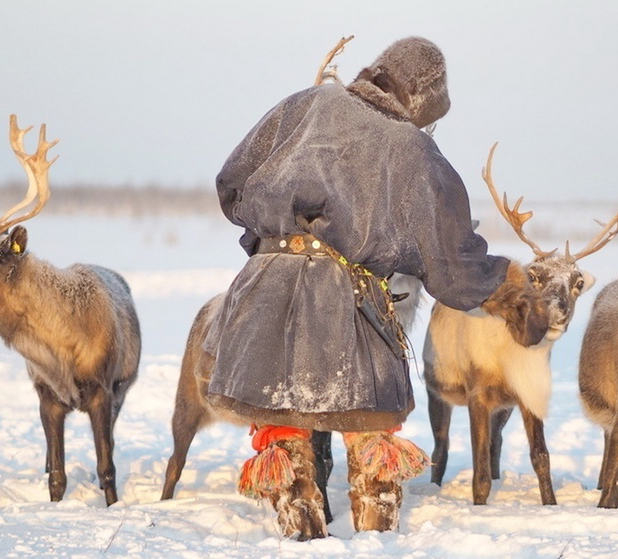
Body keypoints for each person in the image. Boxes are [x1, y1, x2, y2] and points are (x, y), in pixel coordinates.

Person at [202, 36, 548, 539]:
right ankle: (374, 545)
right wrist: (516, 299)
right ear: (423, 99)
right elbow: (453, 269)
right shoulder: (413, 150)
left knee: (285, 443)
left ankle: (302, 541)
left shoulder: (307, 103)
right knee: (372, 448)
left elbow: (232, 184)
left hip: (262, 294)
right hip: (349, 305)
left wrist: (274, 237)